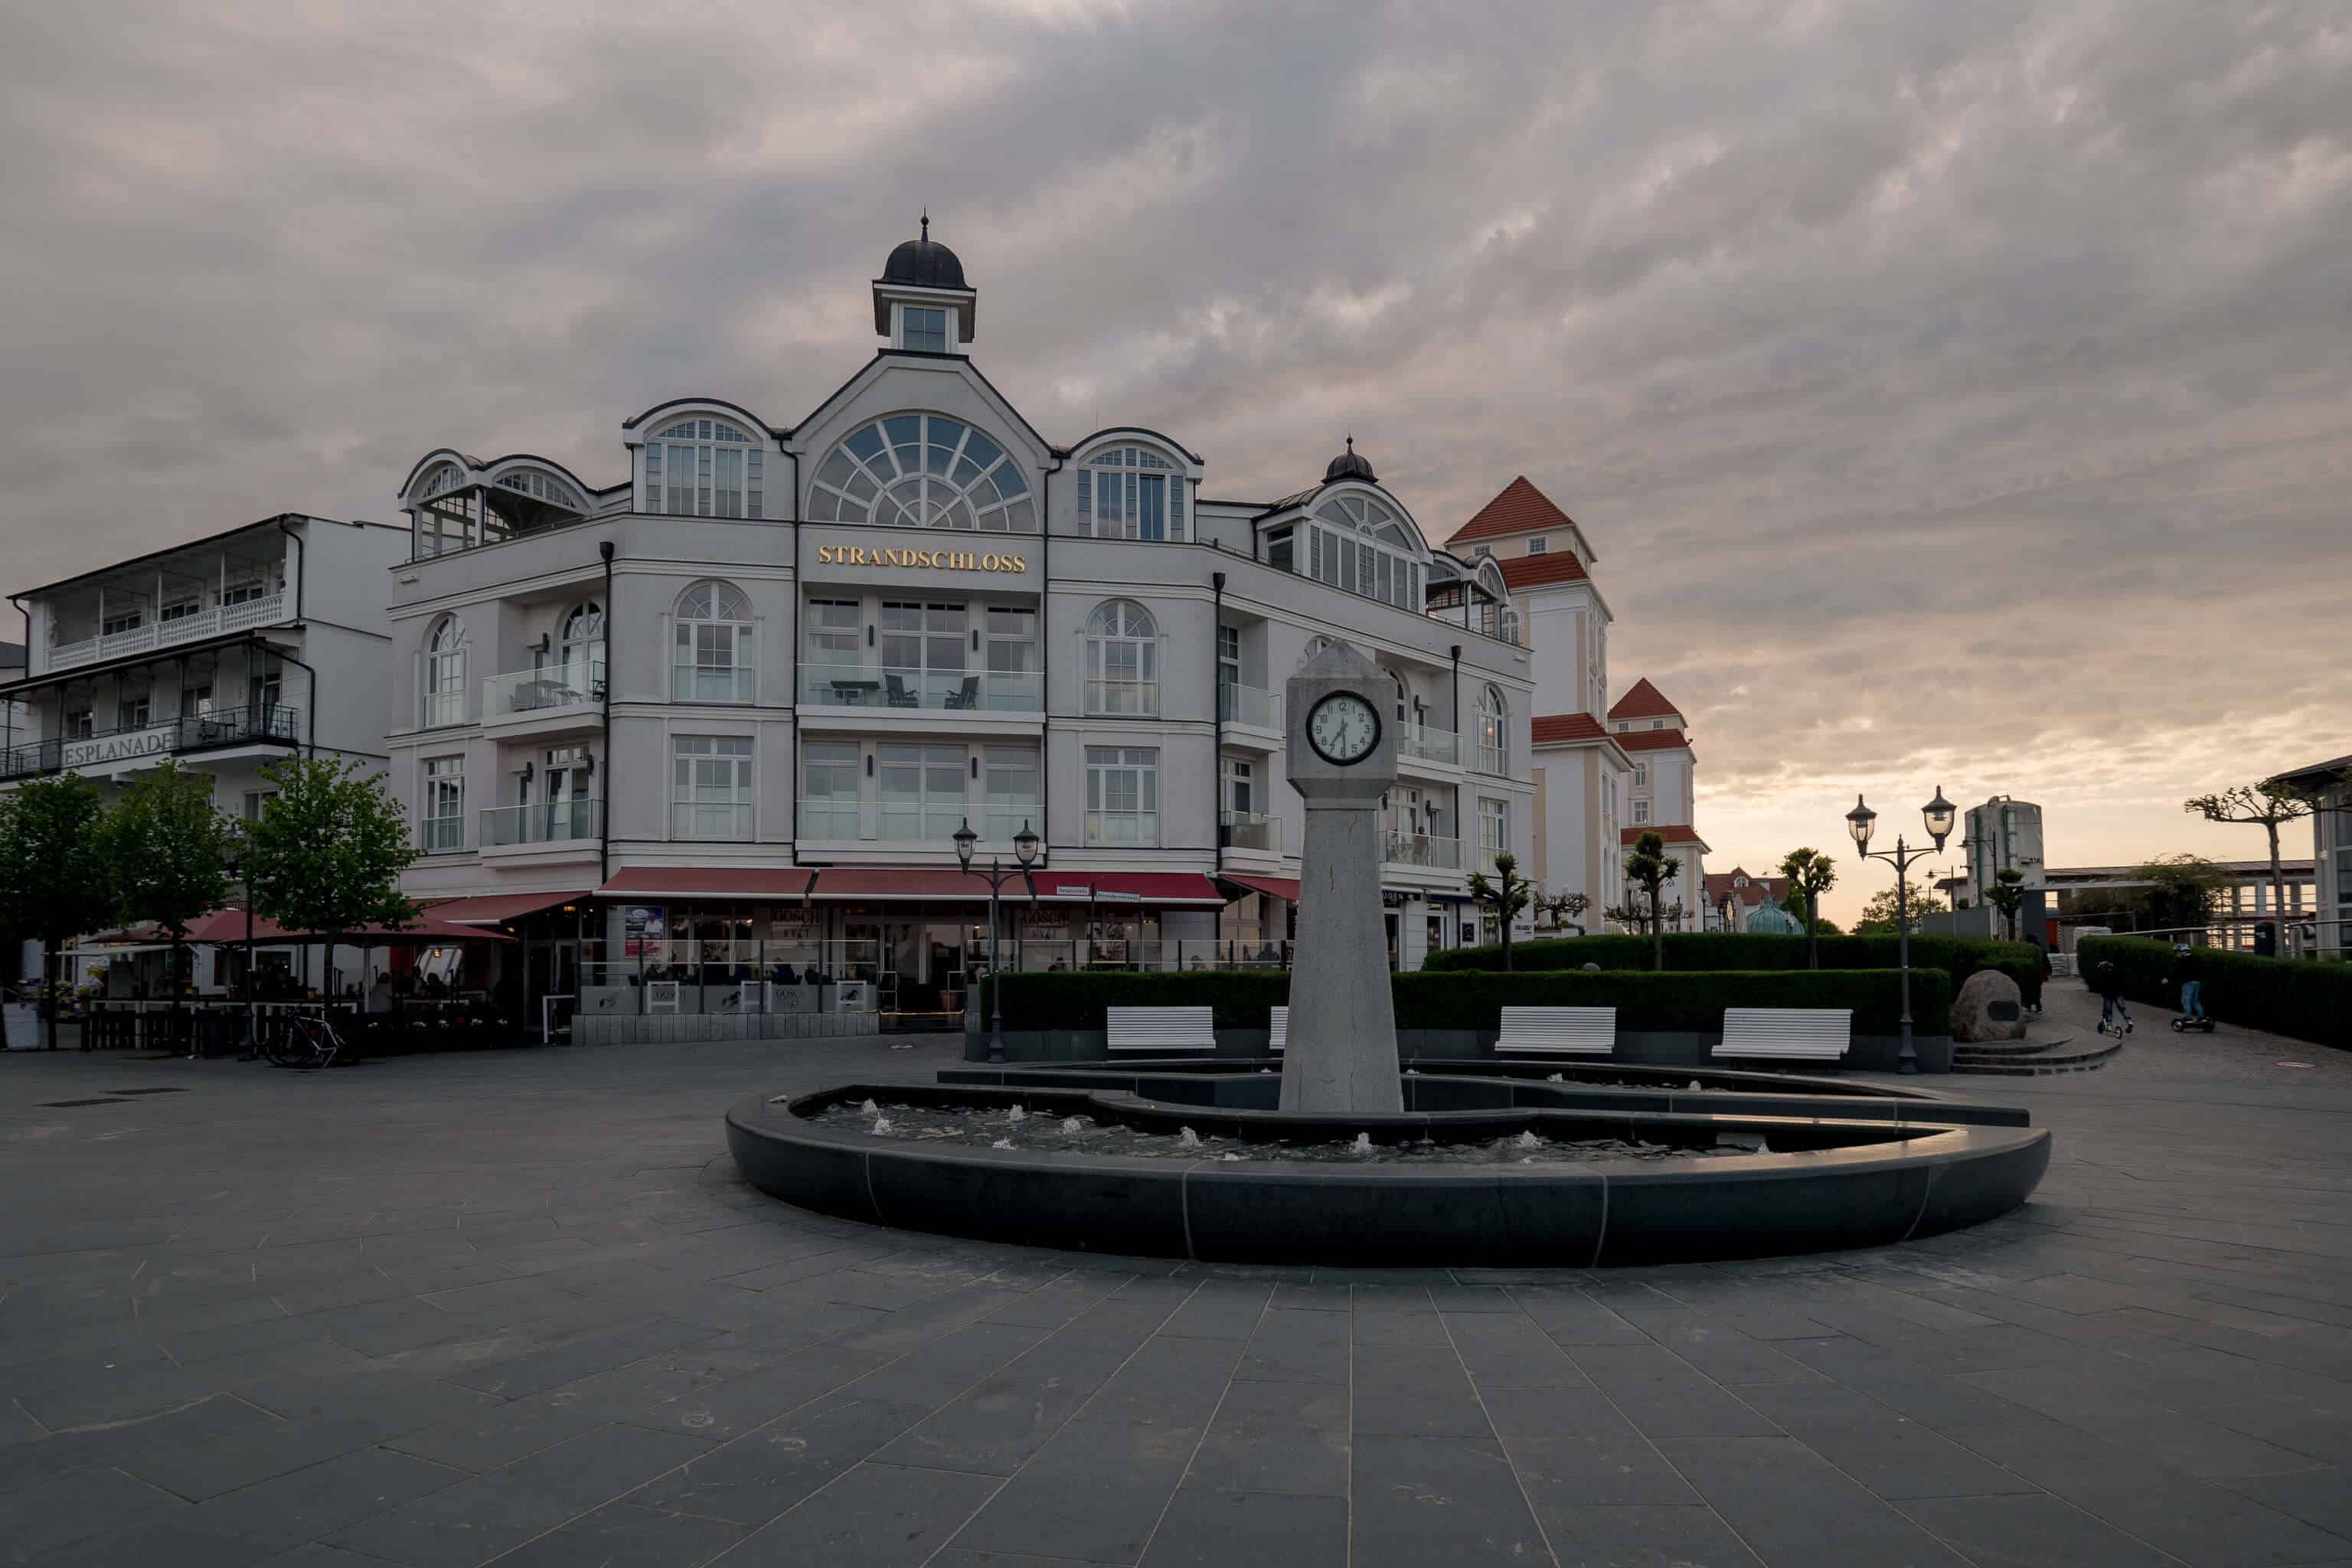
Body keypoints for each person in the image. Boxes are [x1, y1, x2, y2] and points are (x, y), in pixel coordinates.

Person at [2167, 942, 2208, 1026]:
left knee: (2185, 1000)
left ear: (2184, 952)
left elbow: (2177, 972)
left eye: (2177, 952)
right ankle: (2202, 1017)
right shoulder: (2195, 959)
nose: (2176, 955)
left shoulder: (2183, 961)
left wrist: (2168, 978)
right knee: (2195, 1001)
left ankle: (2188, 1018)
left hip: (2188, 983)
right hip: (2197, 982)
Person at [2092, 959, 2132, 1036]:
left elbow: (2100, 985)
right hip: (2118, 994)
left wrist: (2102, 993)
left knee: (2108, 1010)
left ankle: (2109, 1026)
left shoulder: (2103, 975)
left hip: (2108, 995)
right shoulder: (2115, 973)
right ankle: (2129, 1022)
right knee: (2122, 1008)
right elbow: (2122, 982)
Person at [2024, 934, 2052, 1014]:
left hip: (2034, 973)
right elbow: (2046, 961)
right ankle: (2029, 1006)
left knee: (2033, 990)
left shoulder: (2034, 949)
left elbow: (2043, 961)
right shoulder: (2039, 948)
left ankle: (2038, 1008)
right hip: (2037, 973)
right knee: (2033, 989)